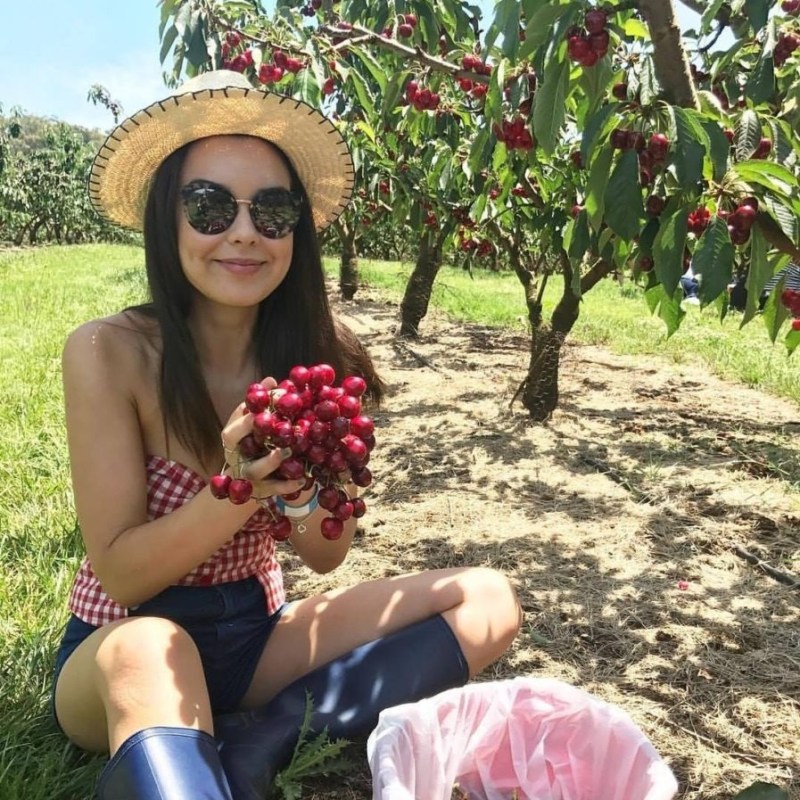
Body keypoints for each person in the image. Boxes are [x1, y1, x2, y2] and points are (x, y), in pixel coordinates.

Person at [52, 70, 522, 800]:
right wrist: (239, 486)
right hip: (124, 643)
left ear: (295, 230)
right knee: (157, 644)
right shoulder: (107, 352)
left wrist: (297, 490)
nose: (243, 231)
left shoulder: (318, 360)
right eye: (208, 206)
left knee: (488, 598)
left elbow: (326, 554)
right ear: (166, 220)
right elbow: (122, 574)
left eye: (271, 210)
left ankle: (264, 739)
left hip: (253, 634)